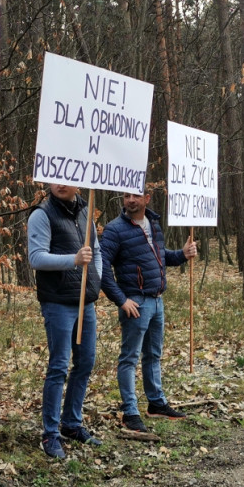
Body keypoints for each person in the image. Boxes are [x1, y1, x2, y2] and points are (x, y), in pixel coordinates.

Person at [100, 189, 198, 433]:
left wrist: (182, 255)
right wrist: (122, 300)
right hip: (135, 303)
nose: (130, 200)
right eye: (126, 196)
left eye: (136, 196)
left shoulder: (153, 223)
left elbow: (159, 256)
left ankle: (156, 403)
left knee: (153, 354)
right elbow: (101, 267)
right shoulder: (115, 229)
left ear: (147, 198)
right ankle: (129, 413)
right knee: (129, 358)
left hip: (156, 301)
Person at [27, 183, 103, 459]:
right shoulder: (41, 214)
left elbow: (96, 250)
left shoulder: (86, 211)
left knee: (85, 362)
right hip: (58, 301)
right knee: (59, 365)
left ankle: (72, 424)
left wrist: (97, 278)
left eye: (66, 178)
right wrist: (74, 260)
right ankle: (50, 433)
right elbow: (36, 258)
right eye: (54, 179)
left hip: (86, 301)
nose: (60, 184)